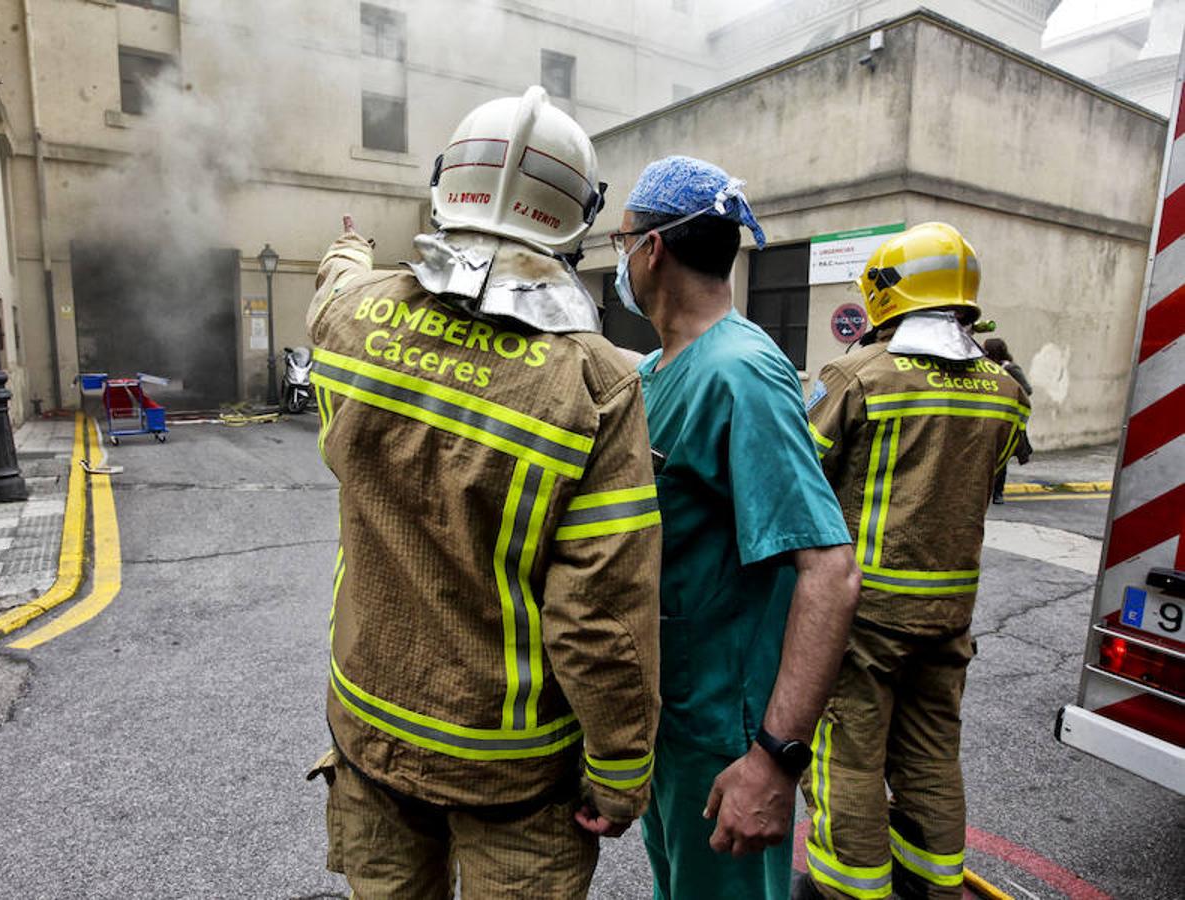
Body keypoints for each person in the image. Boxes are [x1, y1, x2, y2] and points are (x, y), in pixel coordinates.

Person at [304, 86, 662, 898]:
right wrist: (618, 773)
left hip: (368, 731)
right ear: (576, 215)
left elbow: (332, 289)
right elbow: (599, 615)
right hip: (513, 776)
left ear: (444, 184)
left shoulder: (356, 318)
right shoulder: (596, 385)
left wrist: (349, 252)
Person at [611, 155, 862, 900]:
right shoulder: (671, 364)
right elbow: (630, 369)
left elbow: (831, 573)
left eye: (620, 241)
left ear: (651, 249)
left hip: (728, 737)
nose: (618, 261)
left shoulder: (740, 374)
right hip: (680, 720)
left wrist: (773, 761)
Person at [796, 223, 1030, 900]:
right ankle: (936, 886)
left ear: (883, 295)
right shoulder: (1005, 389)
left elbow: (802, 467)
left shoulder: (858, 375)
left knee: (850, 754)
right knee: (931, 754)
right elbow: (994, 467)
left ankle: (850, 890)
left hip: (863, 613)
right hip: (950, 612)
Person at [982, 337, 1034, 504]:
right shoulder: (984, 367)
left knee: (999, 455)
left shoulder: (1010, 369)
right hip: (986, 415)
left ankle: (998, 493)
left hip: (1004, 417)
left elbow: (1027, 390)